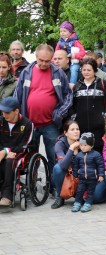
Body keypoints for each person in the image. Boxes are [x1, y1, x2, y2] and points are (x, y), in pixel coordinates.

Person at [14, 44, 73, 183]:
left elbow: (68, 95)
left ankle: (55, 187)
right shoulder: (26, 72)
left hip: (50, 124)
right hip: (30, 124)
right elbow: (18, 95)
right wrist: (19, 118)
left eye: (47, 61)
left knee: (54, 156)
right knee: (30, 157)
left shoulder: (58, 73)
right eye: (41, 60)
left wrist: (60, 113)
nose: (44, 63)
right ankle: (31, 186)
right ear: (36, 57)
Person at [71, 57, 106, 152]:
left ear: (94, 70)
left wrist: (105, 116)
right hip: (81, 127)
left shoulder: (103, 84)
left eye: (89, 70)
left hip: (99, 128)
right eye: (84, 70)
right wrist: (74, 117)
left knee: (99, 153)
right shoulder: (77, 86)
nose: (86, 72)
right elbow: (72, 104)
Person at [0, 97, 33, 207]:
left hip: (19, 154)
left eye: (7, 112)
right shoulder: (1, 121)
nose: (4, 115)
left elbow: (24, 146)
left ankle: (7, 196)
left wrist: (7, 151)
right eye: (3, 112)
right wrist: (3, 151)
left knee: (10, 161)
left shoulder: (27, 124)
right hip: (2, 152)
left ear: (16, 111)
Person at [71, 133, 105, 213]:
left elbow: (100, 165)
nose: (82, 147)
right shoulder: (79, 155)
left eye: (85, 145)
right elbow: (75, 166)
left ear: (91, 146)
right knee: (79, 191)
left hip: (92, 178)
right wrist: (75, 174)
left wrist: (101, 175)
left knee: (90, 192)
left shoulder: (96, 155)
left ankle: (88, 204)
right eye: (81, 145)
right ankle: (77, 203)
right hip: (82, 178)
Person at [51, 120, 80, 209]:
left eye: (77, 129)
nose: (76, 131)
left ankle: (79, 195)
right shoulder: (60, 144)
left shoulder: (83, 143)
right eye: (72, 129)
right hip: (66, 175)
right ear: (66, 133)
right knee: (57, 168)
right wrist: (71, 148)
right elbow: (63, 165)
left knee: (97, 197)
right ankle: (60, 197)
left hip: (79, 176)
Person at [55, 21, 86, 87]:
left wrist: (74, 55)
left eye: (64, 31)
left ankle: (72, 85)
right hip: (64, 61)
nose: (62, 33)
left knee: (74, 70)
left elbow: (83, 52)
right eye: (61, 31)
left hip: (73, 61)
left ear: (70, 32)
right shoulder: (59, 42)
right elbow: (56, 53)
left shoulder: (75, 41)